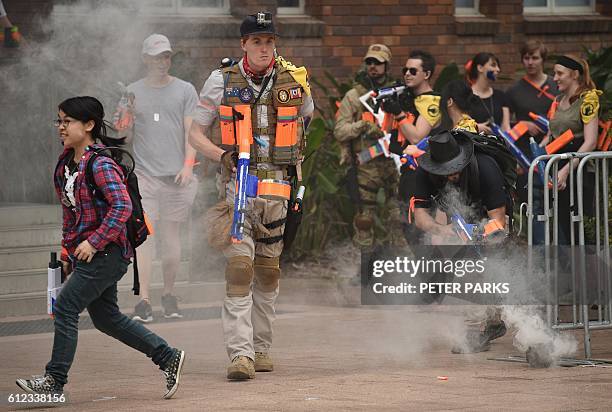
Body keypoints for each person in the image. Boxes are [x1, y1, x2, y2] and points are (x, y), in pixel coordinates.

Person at [15, 96, 185, 398]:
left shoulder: (100, 163)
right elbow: (70, 212)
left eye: (68, 121)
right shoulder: (66, 164)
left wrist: (93, 242)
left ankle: (54, 382)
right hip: (87, 255)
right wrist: (68, 252)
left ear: (89, 125)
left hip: (108, 253)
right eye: (59, 121)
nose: (61, 127)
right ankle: (167, 356)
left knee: (65, 306)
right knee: (106, 319)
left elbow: (121, 206)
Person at [189, 12, 314, 380]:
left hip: (279, 188)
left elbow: (307, 118)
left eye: (270, 41)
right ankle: (240, 355)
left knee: (268, 273)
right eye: (257, 41)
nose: (264, 47)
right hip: (238, 187)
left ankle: (261, 348)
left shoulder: (295, 79)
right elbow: (196, 132)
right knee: (240, 269)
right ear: (243, 44)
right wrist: (221, 155)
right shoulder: (220, 81)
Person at [117, 34, 200, 323]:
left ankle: (168, 294)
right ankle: (144, 300)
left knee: (172, 236)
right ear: (145, 59)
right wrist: (125, 115)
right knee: (145, 237)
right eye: (156, 57)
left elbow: (193, 132)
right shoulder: (132, 91)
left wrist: (188, 165)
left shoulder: (185, 90)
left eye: (166, 56)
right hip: (145, 177)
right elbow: (124, 136)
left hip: (176, 176)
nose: (162, 62)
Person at [412, 130, 509, 352]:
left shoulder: (486, 168)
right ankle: (489, 323)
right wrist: (442, 229)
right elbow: (420, 217)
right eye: (443, 171)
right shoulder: (424, 173)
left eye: (453, 169)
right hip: (456, 223)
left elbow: (499, 222)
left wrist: (476, 234)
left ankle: (495, 322)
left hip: (491, 219)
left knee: (490, 265)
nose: (449, 175)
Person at [334, 44, 404, 273]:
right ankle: (365, 271)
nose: (373, 67)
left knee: (400, 216)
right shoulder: (354, 96)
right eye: (370, 62)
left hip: (394, 164)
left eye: (378, 62)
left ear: (387, 65)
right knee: (364, 220)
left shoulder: (400, 93)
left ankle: (400, 268)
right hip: (365, 165)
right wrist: (363, 126)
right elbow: (340, 131)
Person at [539, 55, 600, 245]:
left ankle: (588, 269)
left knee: (580, 225)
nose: (554, 78)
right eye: (554, 73)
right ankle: (569, 270)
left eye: (559, 73)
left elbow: (590, 142)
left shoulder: (588, 99)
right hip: (556, 168)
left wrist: (566, 170)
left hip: (577, 170)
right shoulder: (557, 100)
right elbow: (550, 136)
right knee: (563, 223)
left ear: (574, 74)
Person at [384, 50, 442, 243]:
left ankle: (432, 270)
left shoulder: (432, 101)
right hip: (407, 171)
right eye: (405, 70)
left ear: (426, 74)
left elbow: (417, 137)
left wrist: (399, 113)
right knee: (407, 226)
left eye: (413, 70)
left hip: (424, 172)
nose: (407, 73)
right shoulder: (410, 99)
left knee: (421, 229)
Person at [507, 41, 560, 211]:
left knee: (557, 201)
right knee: (532, 203)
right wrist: (522, 124)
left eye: (535, 58)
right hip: (526, 154)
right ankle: (537, 238)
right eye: (526, 58)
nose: (530, 62)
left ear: (543, 59)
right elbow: (506, 126)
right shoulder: (514, 90)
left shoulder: (556, 85)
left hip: (554, 149)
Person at [466, 52, 511, 134]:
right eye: (493, 65)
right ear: (480, 68)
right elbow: (459, 125)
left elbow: (506, 127)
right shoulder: (466, 96)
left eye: (498, 66)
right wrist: (476, 127)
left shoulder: (501, 96)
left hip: (497, 144)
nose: (498, 69)